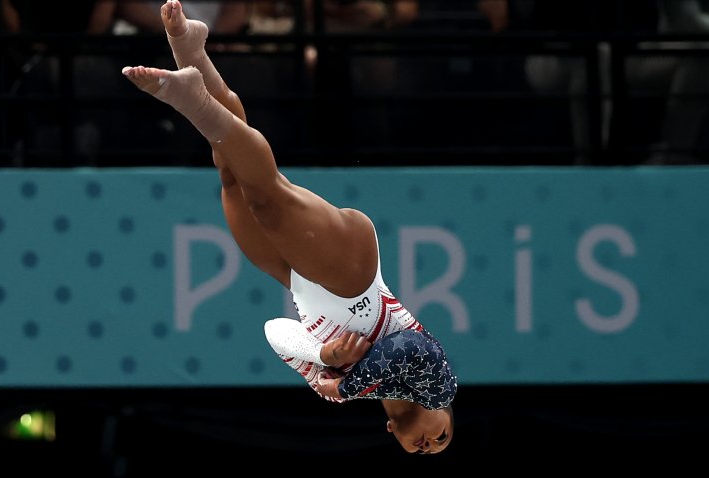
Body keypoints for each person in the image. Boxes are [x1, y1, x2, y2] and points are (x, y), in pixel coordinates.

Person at [121, 0, 457, 455]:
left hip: (298, 278)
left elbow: (275, 331)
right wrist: (342, 384)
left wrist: (324, 359)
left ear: (391, 435)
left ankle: (192, 51)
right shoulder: (437, 386)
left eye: (422, 450)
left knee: (233, 177)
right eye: (443, 436)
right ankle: (191, 99)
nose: (430, 440)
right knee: (268, 196)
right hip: (351, 272)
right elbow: (411, 355)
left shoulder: (344, 386)